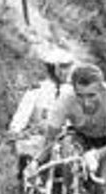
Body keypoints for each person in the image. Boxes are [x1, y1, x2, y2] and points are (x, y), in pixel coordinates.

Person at [9, 47, 76, 180]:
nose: (69, 71)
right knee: (26, 155)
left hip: (65, 143)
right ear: (56, 69)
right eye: (65, 67)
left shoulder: (73, 92)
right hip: (39, 140)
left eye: (69, 67)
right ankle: (28, 189)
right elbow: (21, 116)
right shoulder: (36, 90)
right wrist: (16, 131)